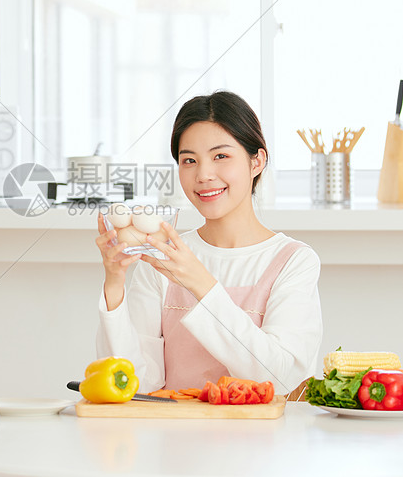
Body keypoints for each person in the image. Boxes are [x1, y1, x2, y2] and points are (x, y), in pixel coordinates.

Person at [95, 91, 322, 396]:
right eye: (189, 160)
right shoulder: (162, 259)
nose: (203, 175)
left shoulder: (293, 261)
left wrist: (199, 282)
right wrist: (114, 284)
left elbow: (281, 380)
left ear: (257, 161)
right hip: (176, 440)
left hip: (264, 442)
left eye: (220, 156)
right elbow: (134, 382)